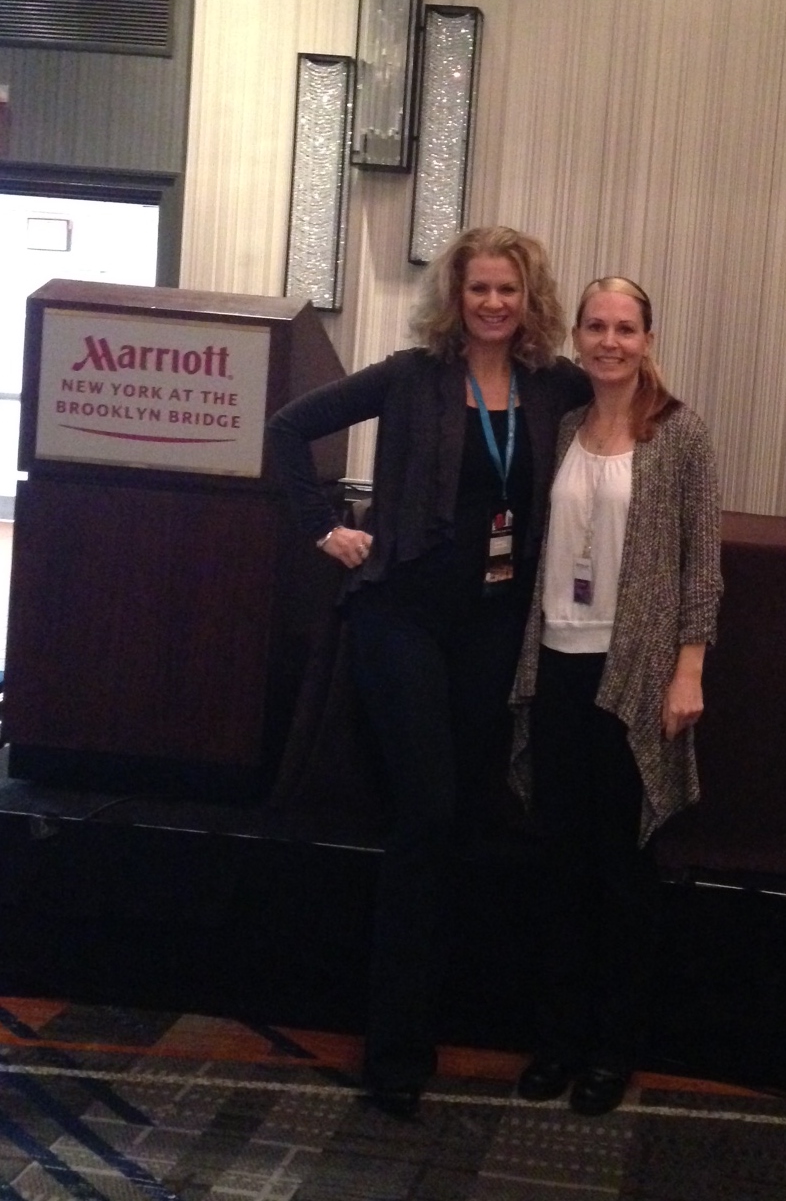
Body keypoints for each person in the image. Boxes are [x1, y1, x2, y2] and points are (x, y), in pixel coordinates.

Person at [266, 227, 590, 1118]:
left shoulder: (553, 384)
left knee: (469, 816)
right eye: (479, 288)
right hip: (401, 615)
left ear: (529, 300)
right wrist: (323, 528)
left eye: (508, 290)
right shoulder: (410, 375)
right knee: (427, 813)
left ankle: (467, 1018)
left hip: (496, 624)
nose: (493, 303)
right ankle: (397, 1052)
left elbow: (635, 407)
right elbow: (288, 429)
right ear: (456, 294)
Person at [509, 276, 723, 1115]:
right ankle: (557, 1040)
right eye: (595, 327)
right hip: (556, 665)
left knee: (622, 870)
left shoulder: (681, 434)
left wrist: (688, 669)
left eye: (625, 328)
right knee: (559, 865)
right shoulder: (563, 425)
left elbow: (701, 565)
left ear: (648, 339)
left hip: (633, 677)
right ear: (578, 338)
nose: (609, 341)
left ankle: (612, 1048)